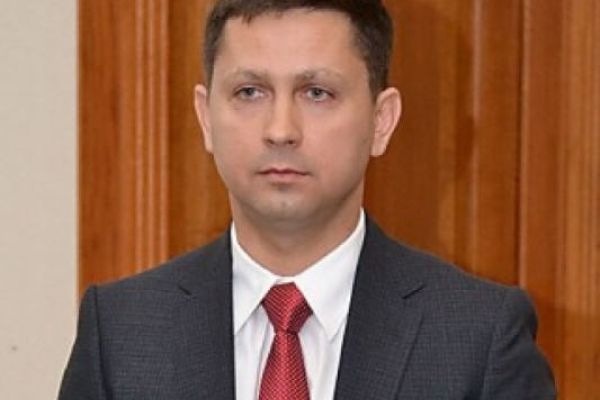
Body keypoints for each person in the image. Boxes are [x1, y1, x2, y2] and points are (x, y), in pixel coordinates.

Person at [59, 0, 556, 399]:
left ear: (381, 121)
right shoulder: (122, 332)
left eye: (316, 93)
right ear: (206, 117)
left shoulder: (479, 337)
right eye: (250, 92)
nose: (281, 130)